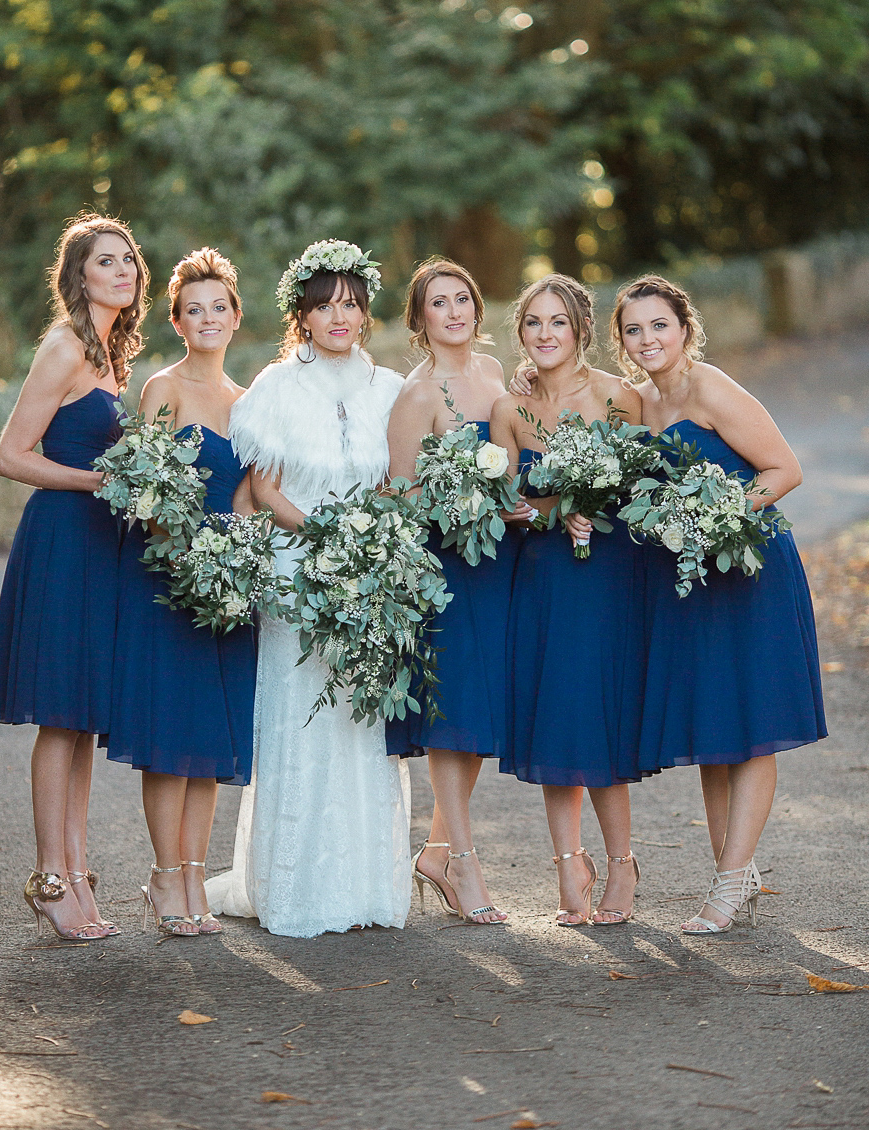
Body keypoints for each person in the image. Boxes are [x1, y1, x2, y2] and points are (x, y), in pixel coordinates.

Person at [205, 241, 411, 937]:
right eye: (324, 306)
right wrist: (327, 538)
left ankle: (366, 887)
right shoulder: (276, 388)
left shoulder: (388, 389)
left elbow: (396, 479)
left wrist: (369, 543)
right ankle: (292, 884)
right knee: (301, 716)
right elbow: (263, 489)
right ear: (303, 315)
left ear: (365, 311)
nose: (339, 317)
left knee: (362, 716)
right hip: (297, 568)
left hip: (369, 567)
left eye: (350, 304)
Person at [611, 275, 826, 933]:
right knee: (712, 731)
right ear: (621, 341)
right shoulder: (637, 404)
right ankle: (734, 874)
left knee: (752, 726)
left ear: (684, 328)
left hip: (748, 571)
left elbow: (783, 470)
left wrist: (721, 514)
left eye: (659, 325)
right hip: (689, 584)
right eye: (633, 330)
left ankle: (728, 886)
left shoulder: (713, 389)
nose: (648, 339)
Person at [0, 214, 148, 940]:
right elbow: (11, 455)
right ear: (78, 276)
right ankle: (51, 879)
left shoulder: (113, 354)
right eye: (105, 261)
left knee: (82, 717)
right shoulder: (61, 346)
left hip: (101, 547)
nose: (122, 270)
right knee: (60, 715)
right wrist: (95, 483)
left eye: (128, 261)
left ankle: (77, 872)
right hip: (62, 543)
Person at [104, 249, 258, 937]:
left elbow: (251, 497)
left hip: (230, 588)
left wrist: (246, 562)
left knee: (206, 740)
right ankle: (165, 877)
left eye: (218, 307)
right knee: (170, 736)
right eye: (193, 309)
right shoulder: (161, 389)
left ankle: (196, 876)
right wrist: (191, 551)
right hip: (170, 581)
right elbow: (145, 488)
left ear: (234, 316)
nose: (207, 318)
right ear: (176, 321)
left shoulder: (248, 403)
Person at [490, 275, 646, 927]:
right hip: (544, 576)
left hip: (604, 577)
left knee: (599, 720)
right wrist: (524, 511)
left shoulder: (619, 398)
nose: (546, 333)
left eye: (557, 321)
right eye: (533, 322)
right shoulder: (511, 410)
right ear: (522, 333)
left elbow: (640, 483)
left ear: (581, 328)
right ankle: (567, 868)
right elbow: (496, 495)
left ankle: (622, 866)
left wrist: (593, 507)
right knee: (556, 720)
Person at [385, 258, 528, 924]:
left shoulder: (494, 374)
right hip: (445, 568)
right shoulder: (417, 396)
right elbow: (402, 498)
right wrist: (465, 508)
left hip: (496, 562)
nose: (455, 311)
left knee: (479, 715)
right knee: (451, 717)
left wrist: (512, 506)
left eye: (463, 298)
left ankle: (438, 852)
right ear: (419, 320)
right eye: (438, 303)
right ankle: (464, 864)